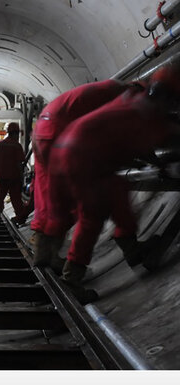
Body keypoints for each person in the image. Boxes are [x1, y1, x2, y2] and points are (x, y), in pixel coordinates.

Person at [49, 65, 180, 302]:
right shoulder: (144, 112)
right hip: (81, 155)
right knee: (92, 217)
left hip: (78, 150)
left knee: (118, 193)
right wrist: (160, 163)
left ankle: (131, 247)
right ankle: (70, 279)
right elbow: (156, 136)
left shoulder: (136, 101)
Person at [30, 79, 132, 268]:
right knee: (84, 203)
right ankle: (72, 269)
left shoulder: (104, 89)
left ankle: (45, 252)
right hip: (59, 133)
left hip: (42, 130)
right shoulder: (124, 95)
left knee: (50, 196)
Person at [0, 122, 29, 222]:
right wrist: (21, 177)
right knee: (16, 198)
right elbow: (19, 163)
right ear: (15, 133)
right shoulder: (17, 146)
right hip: (14, 177)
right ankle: (20, 217)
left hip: (2, 176)